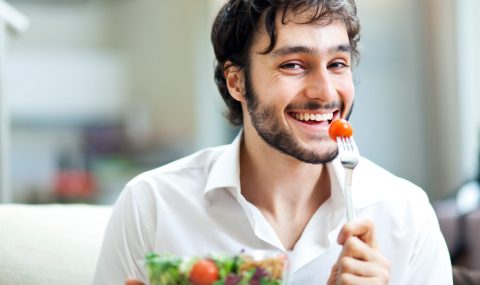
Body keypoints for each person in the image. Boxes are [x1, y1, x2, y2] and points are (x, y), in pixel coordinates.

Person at [93, 0, 453, 284]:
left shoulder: (405, 213)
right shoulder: (152, 206)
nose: (325, 92)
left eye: (338, 63)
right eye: (293, 65)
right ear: (237, 82)